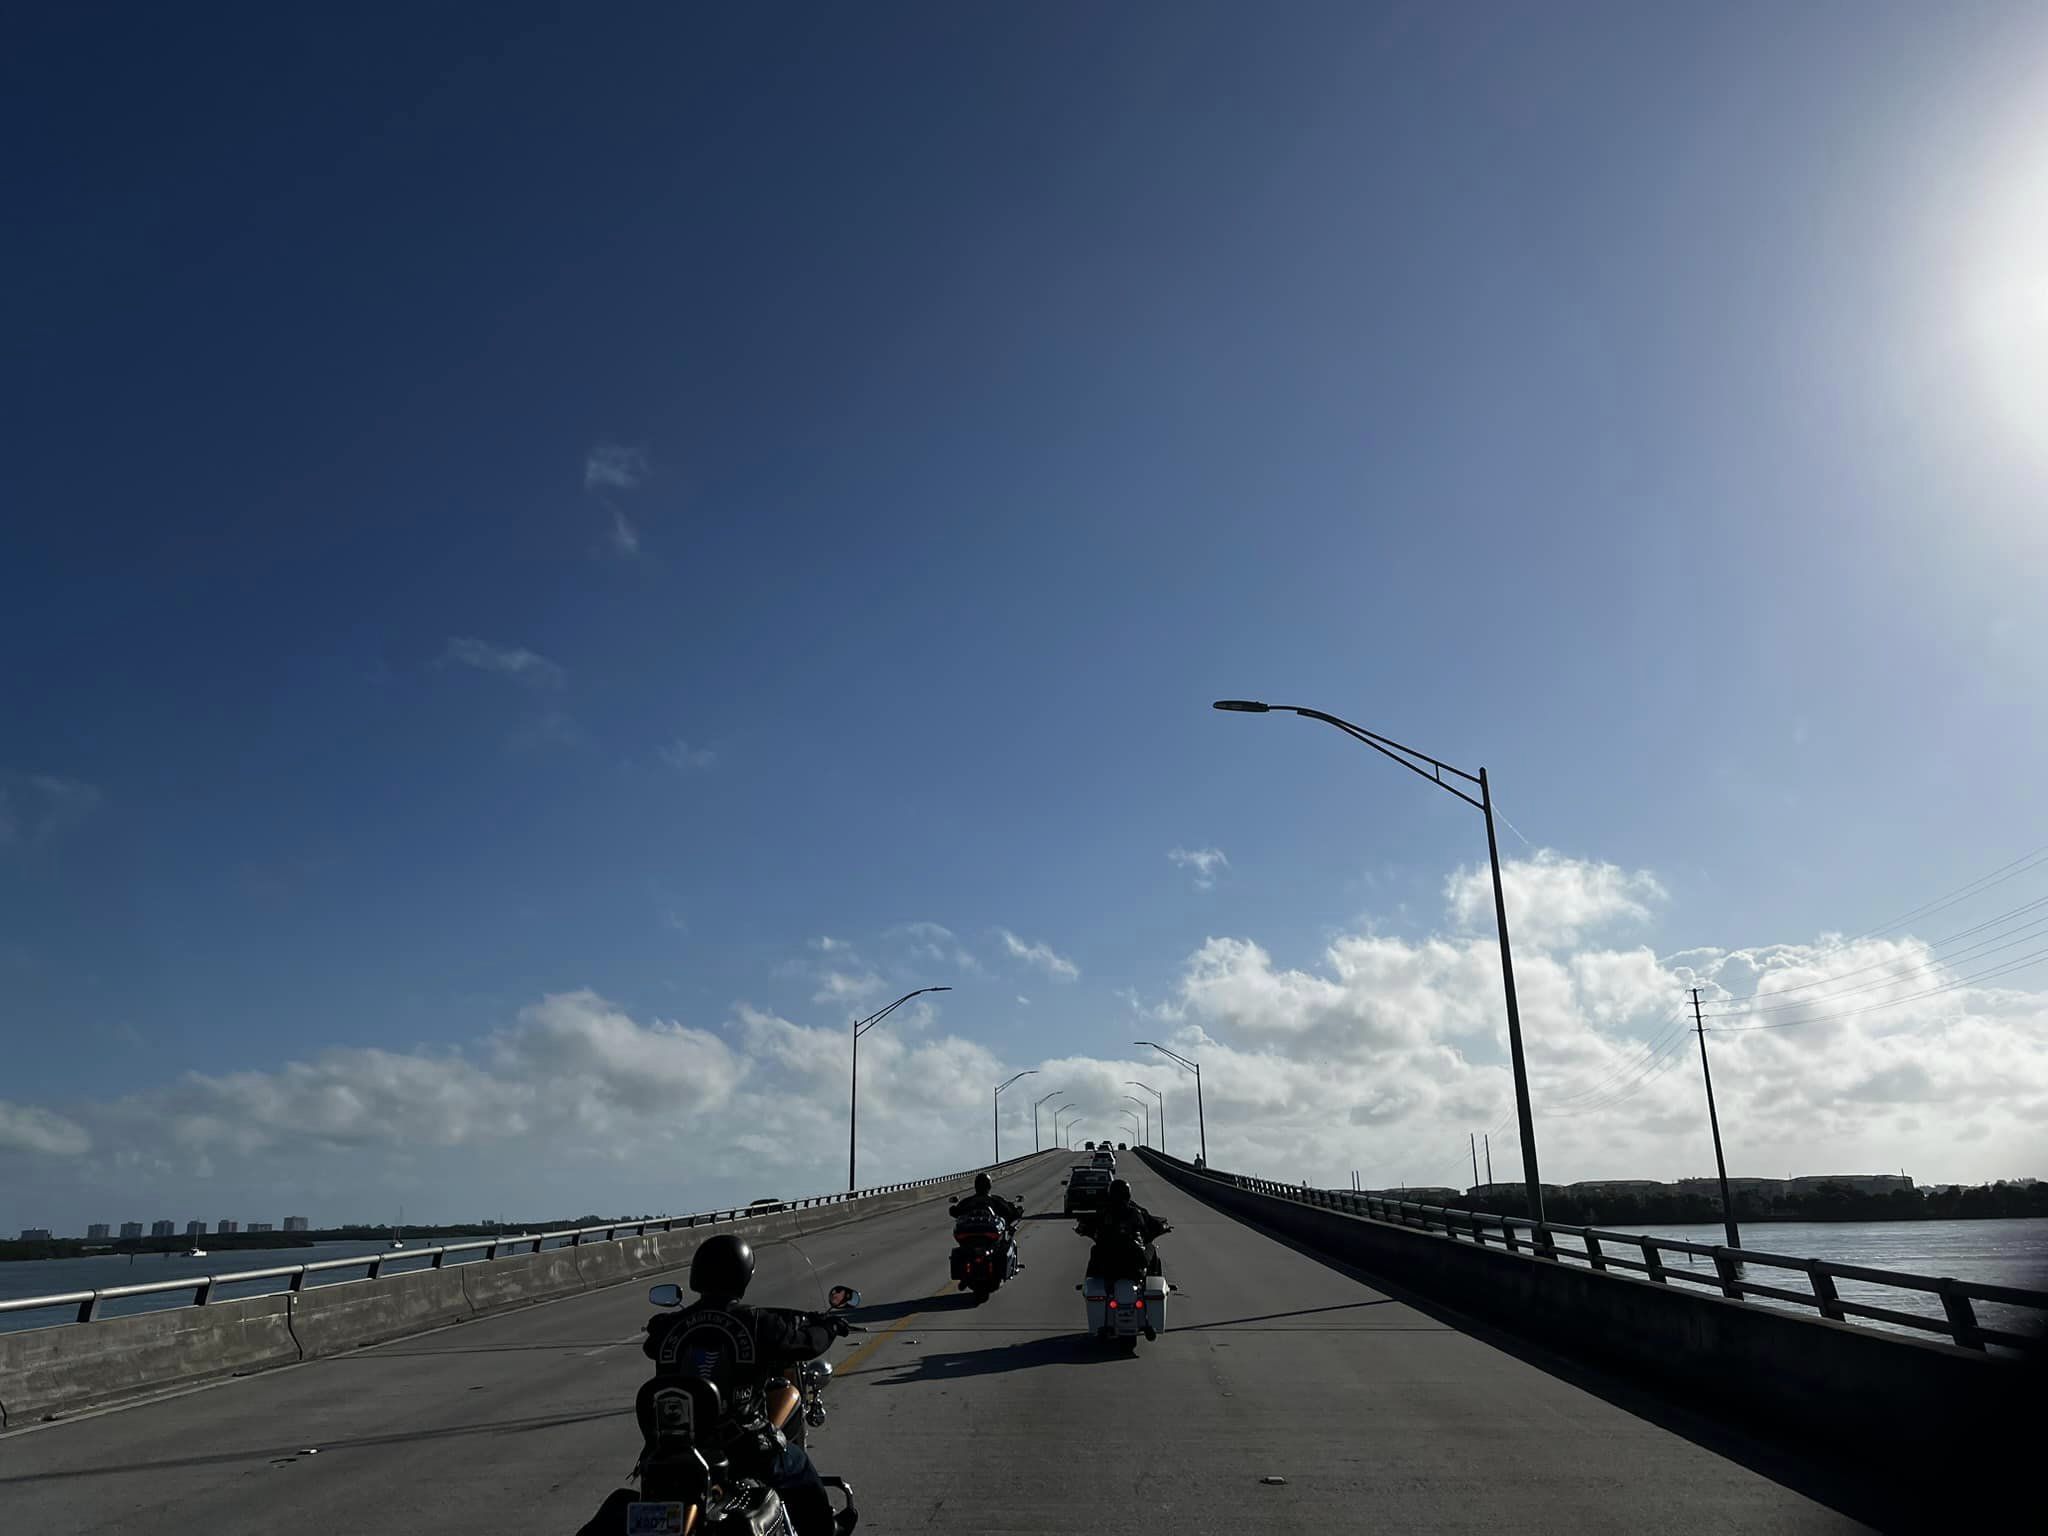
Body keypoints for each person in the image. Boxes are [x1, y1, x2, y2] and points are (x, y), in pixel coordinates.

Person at [638, 1235, 850, 1536]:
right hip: (743, 1449)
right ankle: (824, 1530)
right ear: (743, 1276)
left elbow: (651, 1344)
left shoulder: (672, 1326)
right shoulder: (757, 1323)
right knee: (800, 1468)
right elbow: (806, 1343)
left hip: (673, 1453)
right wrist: (829, 1327)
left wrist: (664, 1322)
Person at [1085, 1178, 1168, 1282]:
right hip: (1132, 1256)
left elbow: (1089, 1223)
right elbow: (1148, 1225)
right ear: (1128, 1195)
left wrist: (1084, 1228)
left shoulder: (1104, 1211)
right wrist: (1162, 1227)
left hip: (1109, 1256)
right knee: (1150, 1248)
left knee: (1095, 1250)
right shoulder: (1135, 1212)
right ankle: (1153, 1281)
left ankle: (1089, 1282)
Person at [949, 1171, 1023, 1227]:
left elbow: (955, 1211)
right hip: (990, 1233)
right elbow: (1009, 1211)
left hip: (972, 1234)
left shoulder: (967, 1201)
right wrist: (1016, 1210)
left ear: (976, 1186)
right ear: (989, 1185)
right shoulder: (996, 1200)